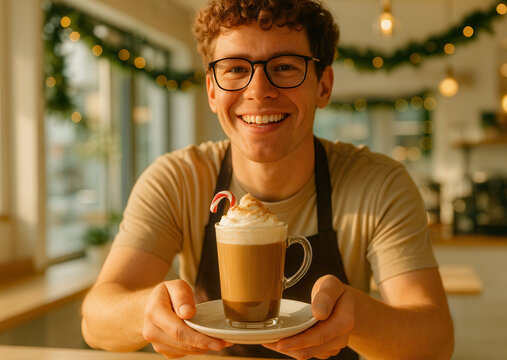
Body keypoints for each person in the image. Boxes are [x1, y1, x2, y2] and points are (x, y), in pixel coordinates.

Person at [81, 0, 454, 359]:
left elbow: (435, 342)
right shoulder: (177, 180)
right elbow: (95, 323)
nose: (258, 91)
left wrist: (357, 315)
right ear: (212, 91)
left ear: (323, 86)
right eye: (235, 69)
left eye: (286, 67)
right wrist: (145, 310)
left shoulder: (379, 184)